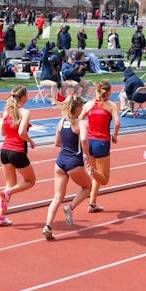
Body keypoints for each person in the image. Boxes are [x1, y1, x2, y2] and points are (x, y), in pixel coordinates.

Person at [42, 96, 92, 240]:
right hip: (74, 162)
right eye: (81, 106)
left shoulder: (61, 122)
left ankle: (48, 226)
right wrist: (86, 156)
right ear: (77, 108)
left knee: (57, 197)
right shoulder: (82, 123)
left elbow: (57, 143)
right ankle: (70, 208)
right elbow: (83, 139)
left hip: (60, 162)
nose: (83, 109)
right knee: (87, 187)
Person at [0, 86, 36, 226]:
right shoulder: (25, 112)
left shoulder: (7, 111)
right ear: (23, 97)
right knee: (30, 181)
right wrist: (31, 142)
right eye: (28, 95)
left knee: (9, 185)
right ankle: (7, 193)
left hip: (4, 151)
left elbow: (2, 132)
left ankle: (0, 217)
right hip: (17, 151)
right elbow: (21, 132)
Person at [78, 81, 120, 212]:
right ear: (108, 92)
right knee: (104, 178)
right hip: (102, 143)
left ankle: (92, 203)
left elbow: (79, 119)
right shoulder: (111, 105)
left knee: (96, 175)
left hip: (89, 142)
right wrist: (115, 135)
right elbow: (117, 123)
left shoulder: (89, 105)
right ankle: (90, 170)